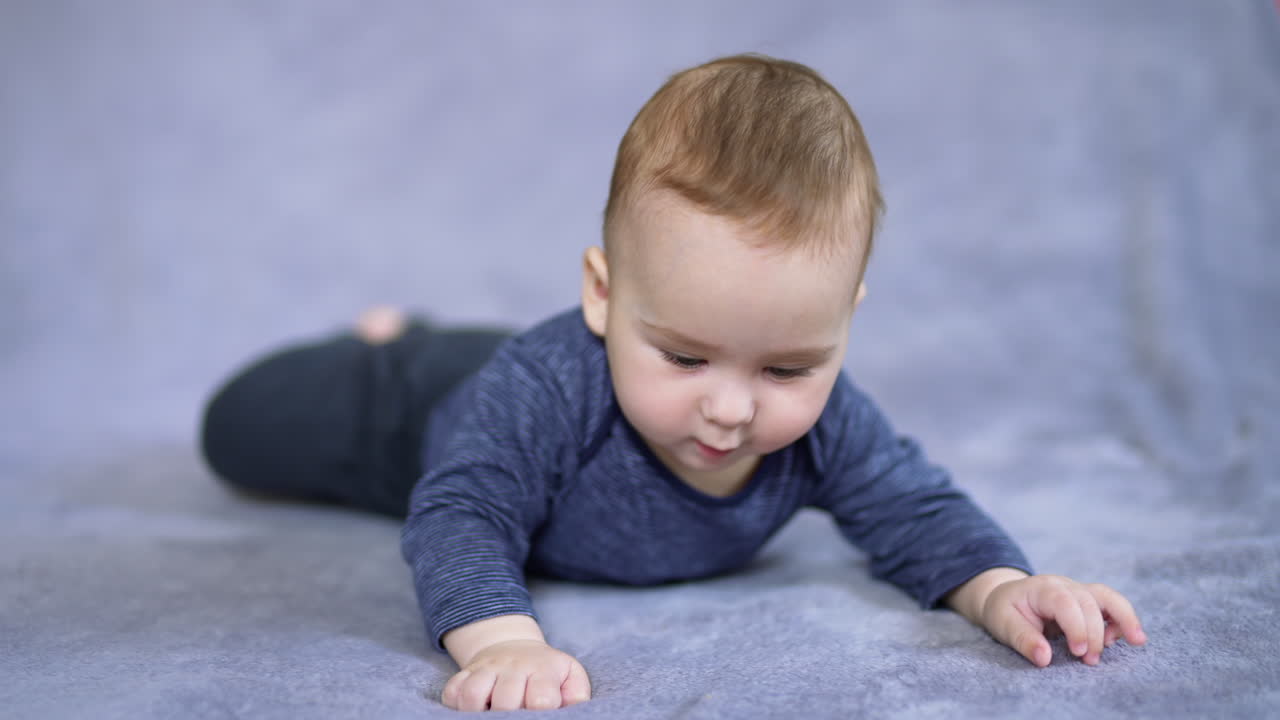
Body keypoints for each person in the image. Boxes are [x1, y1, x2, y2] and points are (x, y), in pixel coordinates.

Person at [200, 54, 1146, 712]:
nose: (731, 409)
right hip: (411, 416)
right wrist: (501, 645)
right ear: (603, 295)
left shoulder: (825, 424)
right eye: (687, 357)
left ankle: (468, 338)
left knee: (546, 372)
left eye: (786, 366)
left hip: (556, 366)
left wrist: (1001, 588)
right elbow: (461, 515)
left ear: (845, 320)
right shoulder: (548, 388)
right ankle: (394, 341)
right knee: (238, 427)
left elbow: (915, 509)